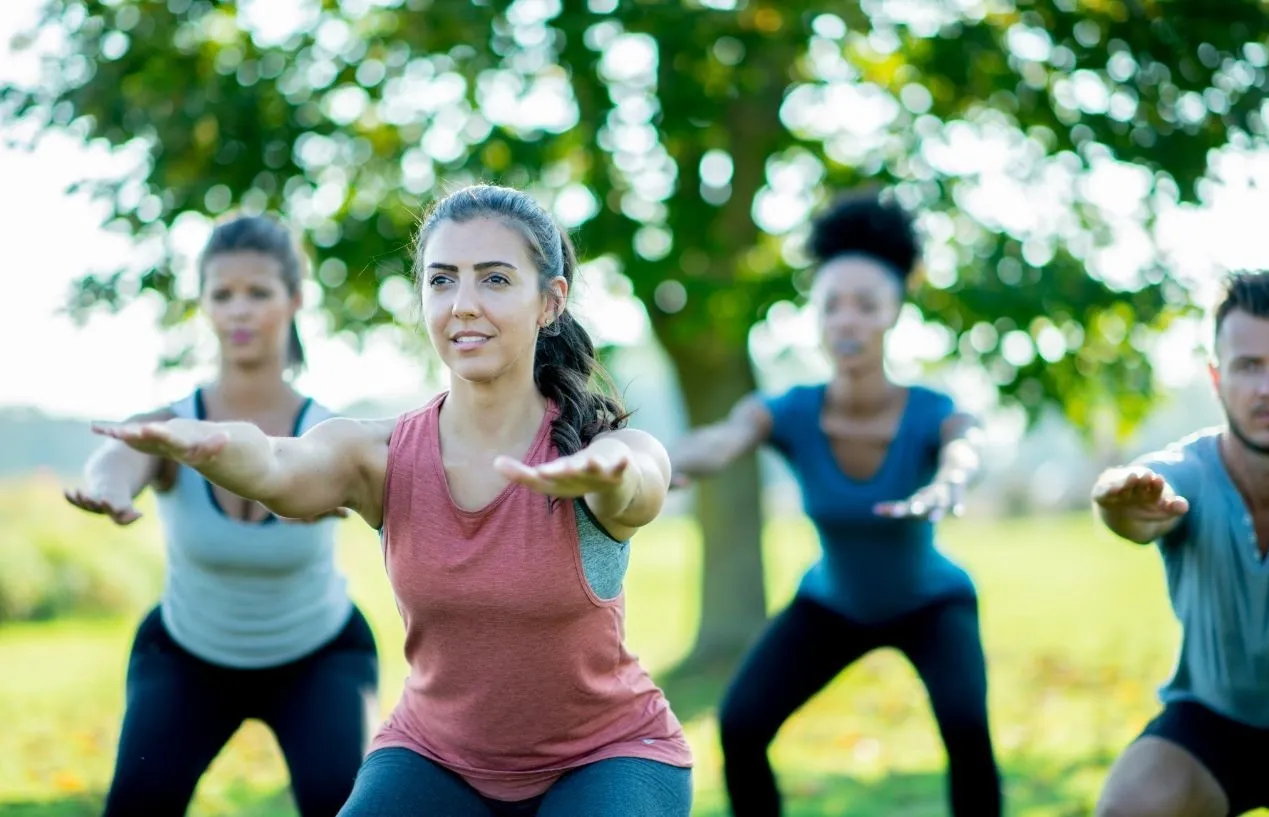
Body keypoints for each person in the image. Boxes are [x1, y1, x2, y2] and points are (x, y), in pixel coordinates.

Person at [90, 184, 695, 816]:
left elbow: (643, 473)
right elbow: (279, 463)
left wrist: (608, 469)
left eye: (494, 280)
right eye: (442, 280)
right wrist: (209, 446)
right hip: (435, 757)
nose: (463, 305)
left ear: (551, 301)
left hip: (610, 756)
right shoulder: (381, 454)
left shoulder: (597, 451)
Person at [669, 189, 1001, 816]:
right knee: (740, 726)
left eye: (865, 305)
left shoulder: (929, 410)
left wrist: (948, 482)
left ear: (893, 314)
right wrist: (657, 463)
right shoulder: (791, 411)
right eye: (831, 306)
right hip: (832, 606)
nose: (847, 319)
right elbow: (724, 439)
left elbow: (967, 444)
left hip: (933, 604)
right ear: (817, 318)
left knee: (966, 731)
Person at [63, 214, 379, 817]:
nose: (239, 311)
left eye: (257, 293)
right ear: (204, 305)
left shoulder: (329, 431)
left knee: (345, 805)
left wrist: (330, 497)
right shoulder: (176, 425)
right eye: (222, 295)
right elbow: (125, 452)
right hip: (187, 653)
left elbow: (361, 487)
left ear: (294, 299)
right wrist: (107, 487)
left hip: (320, 655)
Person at [1092, 270, 1269, 817]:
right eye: (1249, 366)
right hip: (1212, 726)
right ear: (1216, 378)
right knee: (1130, 806)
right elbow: (1141, 509)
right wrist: (1121, 508)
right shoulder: (1189, 472)